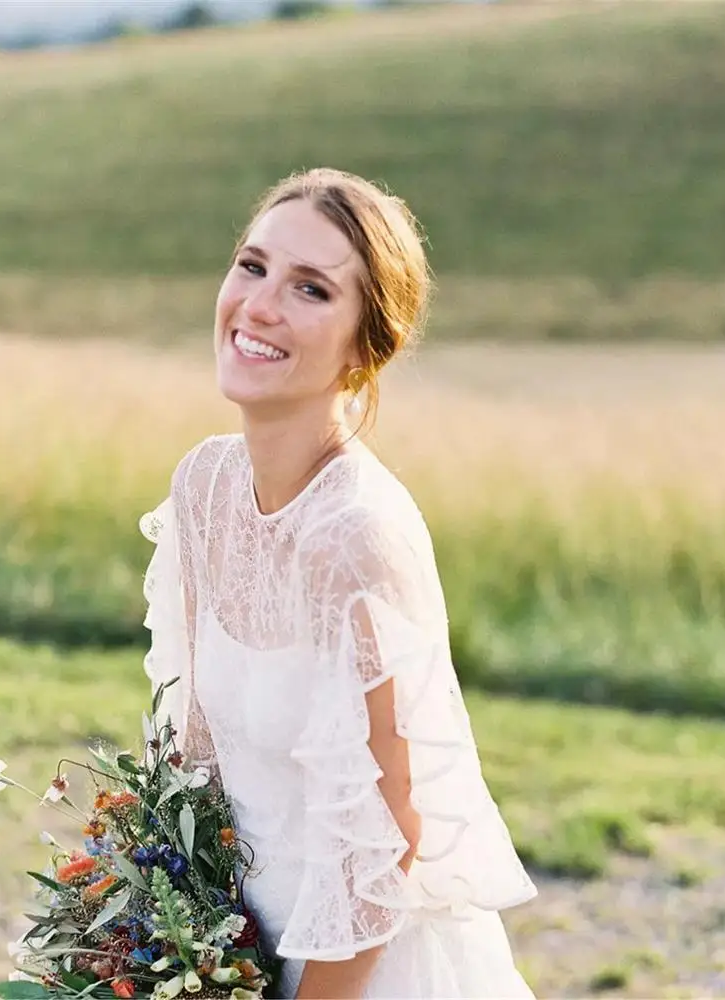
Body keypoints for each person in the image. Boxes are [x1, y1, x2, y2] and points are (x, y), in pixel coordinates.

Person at [139, 168, 537, 999]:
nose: (259, 306)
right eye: (252, 267)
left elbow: (381, 855)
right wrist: (160, 945)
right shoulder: (204, 488)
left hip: (371, 973)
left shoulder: (356, 536)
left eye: (310, 289)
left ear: (365, 347)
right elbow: (196, 755)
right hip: (239, 956)